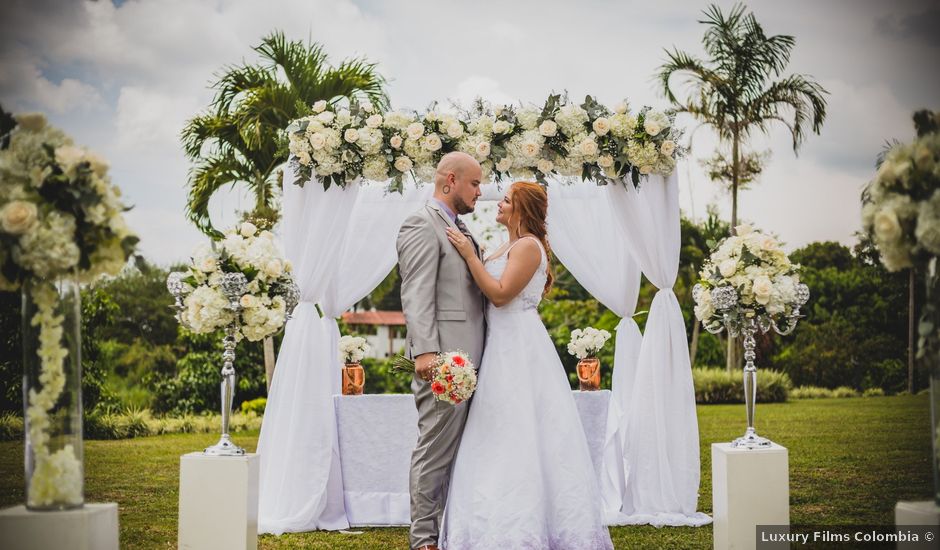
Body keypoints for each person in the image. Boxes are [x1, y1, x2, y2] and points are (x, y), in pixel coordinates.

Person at [439, 181, 613, 549]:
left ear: (521, 209)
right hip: (498, 346)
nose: (498, 204)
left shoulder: (529, 246)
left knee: (523, 430)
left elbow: (501, 296)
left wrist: (471, 257)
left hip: (518, 347)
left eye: (505, 200)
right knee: (496, 431)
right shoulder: (506, 244)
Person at [396, 151, 487, 550]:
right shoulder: (421, 223)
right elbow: (415, 294)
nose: (480, 192)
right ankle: (423, 540)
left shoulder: (459, 227)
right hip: (445, 361)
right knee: (434, 448)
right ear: (449, 180)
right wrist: (425, 353)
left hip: (475, 358)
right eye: (474, 183)